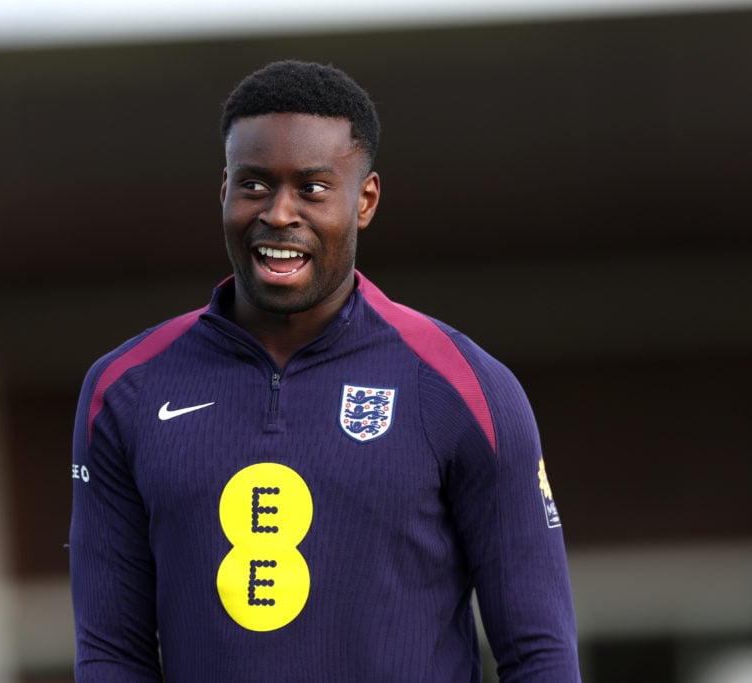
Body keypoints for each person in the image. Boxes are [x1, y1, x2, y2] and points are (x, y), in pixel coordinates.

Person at [70, 60, 581, 682]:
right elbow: (111, 656)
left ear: (363, 200)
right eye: (254, 184)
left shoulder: (465, 386)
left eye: (312, 188)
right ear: (224, 191)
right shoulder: (123, 389)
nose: (280, 214)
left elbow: (539, 654)